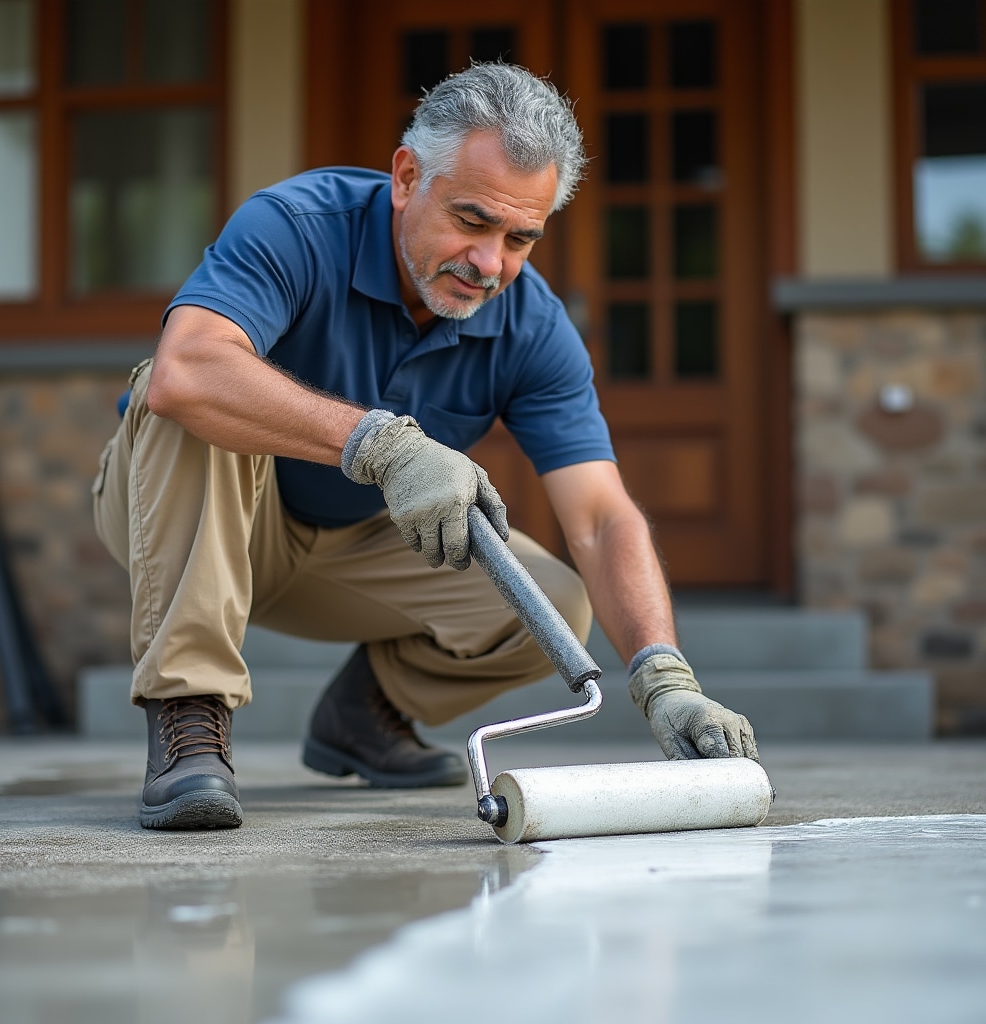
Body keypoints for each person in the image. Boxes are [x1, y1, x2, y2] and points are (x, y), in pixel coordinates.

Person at [92, 62, 759, 832]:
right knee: (188, 393)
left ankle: (366, 716)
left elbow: (602, 516)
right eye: (473, 221)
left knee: (552, 606)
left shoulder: (533, 328)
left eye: (521, 239)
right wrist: (380, 443)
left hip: (346, 550)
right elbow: (187, 374)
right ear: (407, 176)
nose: (490, 264)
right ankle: (188, 717)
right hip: (184, 513)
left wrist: (662, 673)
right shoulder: (297, 225)